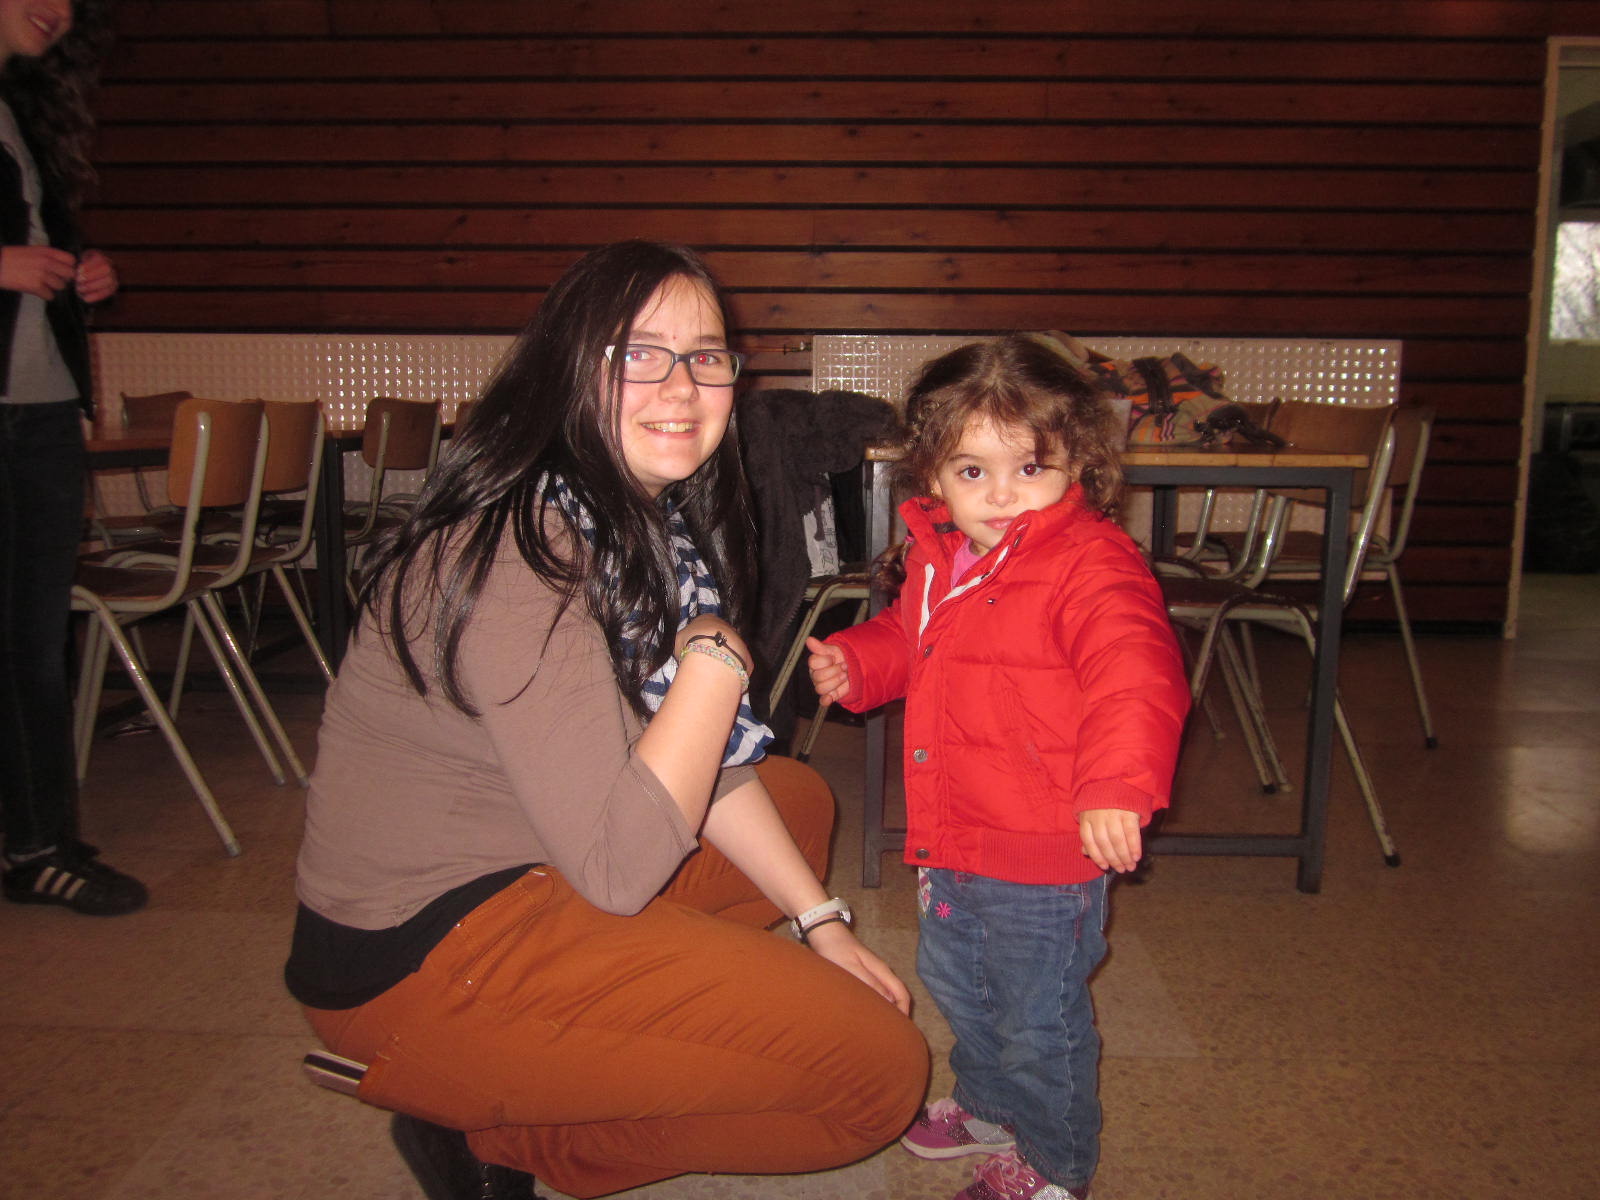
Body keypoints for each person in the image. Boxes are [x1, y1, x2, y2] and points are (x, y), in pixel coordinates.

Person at [286, 240, 928, 1200]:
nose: (682, 385)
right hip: (418, 965)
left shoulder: (624, 514)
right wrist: (715, 659)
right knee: (877, 1079)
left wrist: (822, 923)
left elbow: (707, 763)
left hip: (536, 864)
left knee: (793, 802)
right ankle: (499, 1130)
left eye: (705, 355)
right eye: (639, 354)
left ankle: (548, 1056)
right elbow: (620, 871)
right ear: (567, 368)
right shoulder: (520, 553)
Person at [806, 335, 1190, 1200]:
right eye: (973, 471)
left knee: (1036, 1015)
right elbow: (914, 638)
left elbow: (1137, 673)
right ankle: (989, 1105)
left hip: (1045, 847)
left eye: (1030, 468)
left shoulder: (1091, 564)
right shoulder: (943, 554)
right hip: (954, 828)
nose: (1002, 495)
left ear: (1077, 465)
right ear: (934, 475)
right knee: (962, 983)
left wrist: (1116, 786)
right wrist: (862, 663)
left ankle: (1055, 1165)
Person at [0, 0, 146, 915]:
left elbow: (36, 253)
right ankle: (36, 843)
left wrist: (83, 270)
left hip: (43, 407)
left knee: (34, 641)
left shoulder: (22, 107)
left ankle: (39, 839)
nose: (57, 9)